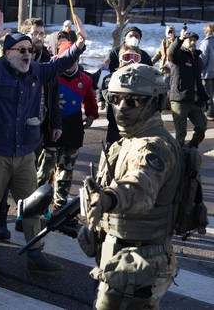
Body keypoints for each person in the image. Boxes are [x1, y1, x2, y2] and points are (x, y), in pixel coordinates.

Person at [0, 10, 86, 273]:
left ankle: (35, 252)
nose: (27, 54)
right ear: (8, 52)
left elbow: (58, 63)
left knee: (33, 205)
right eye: (21, 50)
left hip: (25, 153)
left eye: (30, 51)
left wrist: (79, 44)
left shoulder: (36, 71)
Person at [86, 64, 182, 309]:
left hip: (141, 261)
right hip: (127, 257)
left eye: (134, 101)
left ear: (155, 102)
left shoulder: (152, 147)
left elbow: (139, 185)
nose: (121, 108)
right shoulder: (131, 138)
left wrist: (109, 198)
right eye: (115, 99)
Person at [0, 17, 62, 239]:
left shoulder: (47, 61)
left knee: (29, 178)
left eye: (42, 34)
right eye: (34, 33)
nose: (38, 38)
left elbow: (54, 95)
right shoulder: (9, 58)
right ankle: (0, 221)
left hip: (37, 127)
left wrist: (55, 123)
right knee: (4, 178)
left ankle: (24, 218)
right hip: (10, 127)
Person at [36, 41, 98, 214]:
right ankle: (37, 203)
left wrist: (91, 115)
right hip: (51, 126)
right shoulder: (51, 76)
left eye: (74, 60)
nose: (70, 64)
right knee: (44, 169)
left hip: (73, 127)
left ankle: (60, 204)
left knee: (66, 168)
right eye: (67, 59)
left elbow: (90, 99)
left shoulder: (84, 79)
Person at [168, 30, 209, 148]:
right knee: (181, 133)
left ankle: (191, 148)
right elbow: (171, 52)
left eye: (195, 40)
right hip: (179, 100)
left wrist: (204, 98)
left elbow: (198, 81)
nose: (193, 42)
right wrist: (179, 39)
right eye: (190, 40)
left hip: (194, 100)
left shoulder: (197, 58)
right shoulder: (179, 55)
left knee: (201, 127)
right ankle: (178, 157)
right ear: (184, 42)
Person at [152, 25, 175, 89]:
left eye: (171, 31)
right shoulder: (164, 42)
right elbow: (158, 54)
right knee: (161, 87)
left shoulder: (176, 42)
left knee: (168, 88)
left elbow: (175, 52)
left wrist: (172, 40)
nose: (169, 33)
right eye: (168, 31)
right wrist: (150, 62)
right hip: (162, 69)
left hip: (171, 71)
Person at [199, 22, 214, 121]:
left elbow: (202, 60)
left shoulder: (206, 42)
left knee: (207, 94)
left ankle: (210, 112)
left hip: (207, 74)